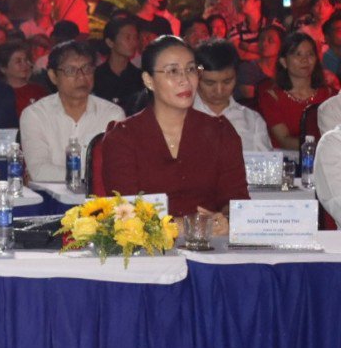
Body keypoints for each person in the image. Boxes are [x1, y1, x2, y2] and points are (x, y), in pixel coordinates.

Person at [101, 36, 248, 223]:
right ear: (148, 80)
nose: (185, 80)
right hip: (149, 246)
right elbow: (124, 211)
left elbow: (237, 200)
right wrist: (184, 226)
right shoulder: (123, 137)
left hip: (210, 244)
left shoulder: (221, 131)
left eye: (191, 69)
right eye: (173, 71)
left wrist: (226, 219)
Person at [19, 40, 124, 183]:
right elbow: (39, 171)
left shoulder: (112, 115)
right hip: (50, 202)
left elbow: (116, 169)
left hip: (97, 201)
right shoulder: (35, 115)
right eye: (71, 71)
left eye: (87, 69)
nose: (81, 77)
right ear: (53, 76)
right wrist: (93, 175)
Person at [257, 32, 335, 150]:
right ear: (284, 62)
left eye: (310, 54)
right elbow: (284, 140)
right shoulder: (272, 97)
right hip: (287, 161)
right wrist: (324, 145)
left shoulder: (329, 94)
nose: (305, 60)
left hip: (326, 158)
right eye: (298, 54)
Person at [193, 39, 274, 151]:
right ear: (195, 77)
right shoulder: (180, 116)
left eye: (227, 82)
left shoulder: (252, 120)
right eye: (209, 83)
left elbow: (266, 164)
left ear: (237, 76)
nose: (219, 91)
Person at [93, 15, 145, 111]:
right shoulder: (95, 76)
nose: (133, 43)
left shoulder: (140, 78)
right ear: (110, 42)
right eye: (128, 38)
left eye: (135, 38)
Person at [0, 40, 49, 118]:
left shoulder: (38, 91)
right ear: (3, 68)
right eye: (18, 61)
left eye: (26, 60)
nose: (25, 64)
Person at [237, 25, 283, 101]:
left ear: (281, 45)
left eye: (270, 41)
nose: (264, 43)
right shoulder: (248, 68)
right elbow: (251, 101)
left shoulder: (284, 71)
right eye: (261, 39)